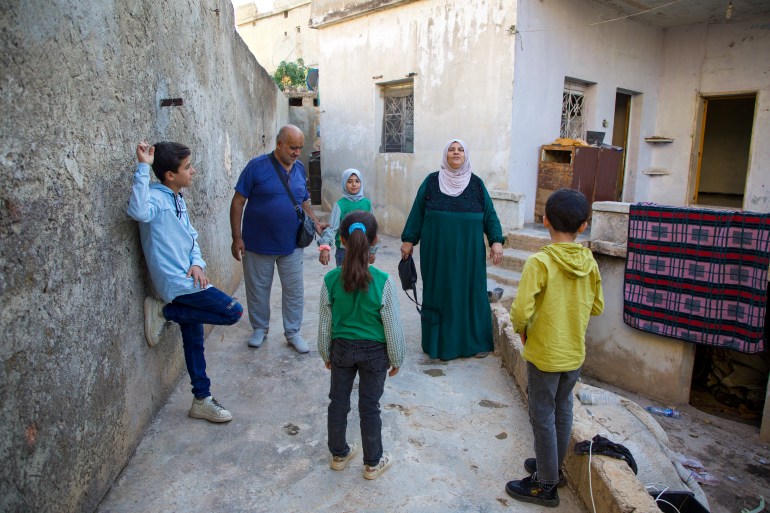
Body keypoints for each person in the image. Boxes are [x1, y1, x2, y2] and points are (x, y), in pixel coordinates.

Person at [128, 141, 243, 423]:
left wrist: (197, 263)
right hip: (175, 283)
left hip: (189, 276)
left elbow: (192, 238)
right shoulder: (154, 199)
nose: (193, 171)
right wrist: (144, 166)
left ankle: (201, 399)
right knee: (232, 311)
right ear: (170, 175)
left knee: (194, 341)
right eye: (187, 167)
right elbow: (138, 211)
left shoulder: (177, 198)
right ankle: (164, 312)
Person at [504, 188, 604, 507]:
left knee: (542, 415)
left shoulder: (541, 262)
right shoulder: (589, 262)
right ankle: (553, 468)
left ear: (544, 220)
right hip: (573, 353)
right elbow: (597, 307)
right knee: (563, 409)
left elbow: (520, 310)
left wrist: (521, 329)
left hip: (545, 354)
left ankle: (546, 484)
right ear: (583, 225)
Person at [317, 211, 405, 480]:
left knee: (338, 402)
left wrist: (325, 352)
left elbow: (325, 322)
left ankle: (339, 455)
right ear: (374, 240)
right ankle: (372, 463)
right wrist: (396, 358)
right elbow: (391, 325)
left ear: (341, 241)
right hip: (375, 354)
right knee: (370, 407)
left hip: (342, 349)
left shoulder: (331, 279)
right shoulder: (383, 281)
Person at [400, 138, 504, 361]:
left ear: (466, 155)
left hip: (469, 254)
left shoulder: (476, 184)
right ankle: (440, 344)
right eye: (451, 150)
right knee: (440, 293)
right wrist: (409, 240)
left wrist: (496, 241)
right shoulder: (431, 182)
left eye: (460, 150)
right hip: (437, 252)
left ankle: (474, 343)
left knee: (471, 294)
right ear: (445, 155)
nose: (456, 153)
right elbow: (417, 212)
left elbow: (490, 215)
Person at [229, 125, 326, 353]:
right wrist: (236, 237)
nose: (296, 152)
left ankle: (293, 333)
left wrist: (315, 222)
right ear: (279, 144)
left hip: (291, 244)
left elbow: (303, 201)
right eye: (293, 147)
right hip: (256, 243)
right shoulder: (256, 167)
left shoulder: (300, 169)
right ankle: (260, 329)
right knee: (258, 289)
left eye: (300, 148)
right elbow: (238, 202)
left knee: (294, 291)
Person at [317, 168, 376, 267]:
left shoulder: (367, 204)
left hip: (362, 250)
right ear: (344, 183)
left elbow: (372, 228)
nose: (354, 184)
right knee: (343, 280)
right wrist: (325, 247)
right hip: (344, 251)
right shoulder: (340, 205)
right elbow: (332, 228)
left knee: (361, 279)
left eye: (357, 181)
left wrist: (372, 250)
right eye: (349, 181)